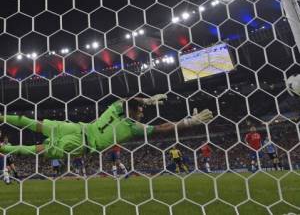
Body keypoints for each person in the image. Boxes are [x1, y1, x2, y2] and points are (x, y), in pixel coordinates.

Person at [0, 95, 213, 159]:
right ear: (134, 110)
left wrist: (145, 101)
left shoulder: (117, 109)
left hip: (79, 135)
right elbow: (162, 128)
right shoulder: (132, 128)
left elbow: (129, 101)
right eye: (141, 110)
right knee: (34, 137)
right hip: (80, 139)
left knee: (35, 138)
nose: (142, 113)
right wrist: (188, 123)